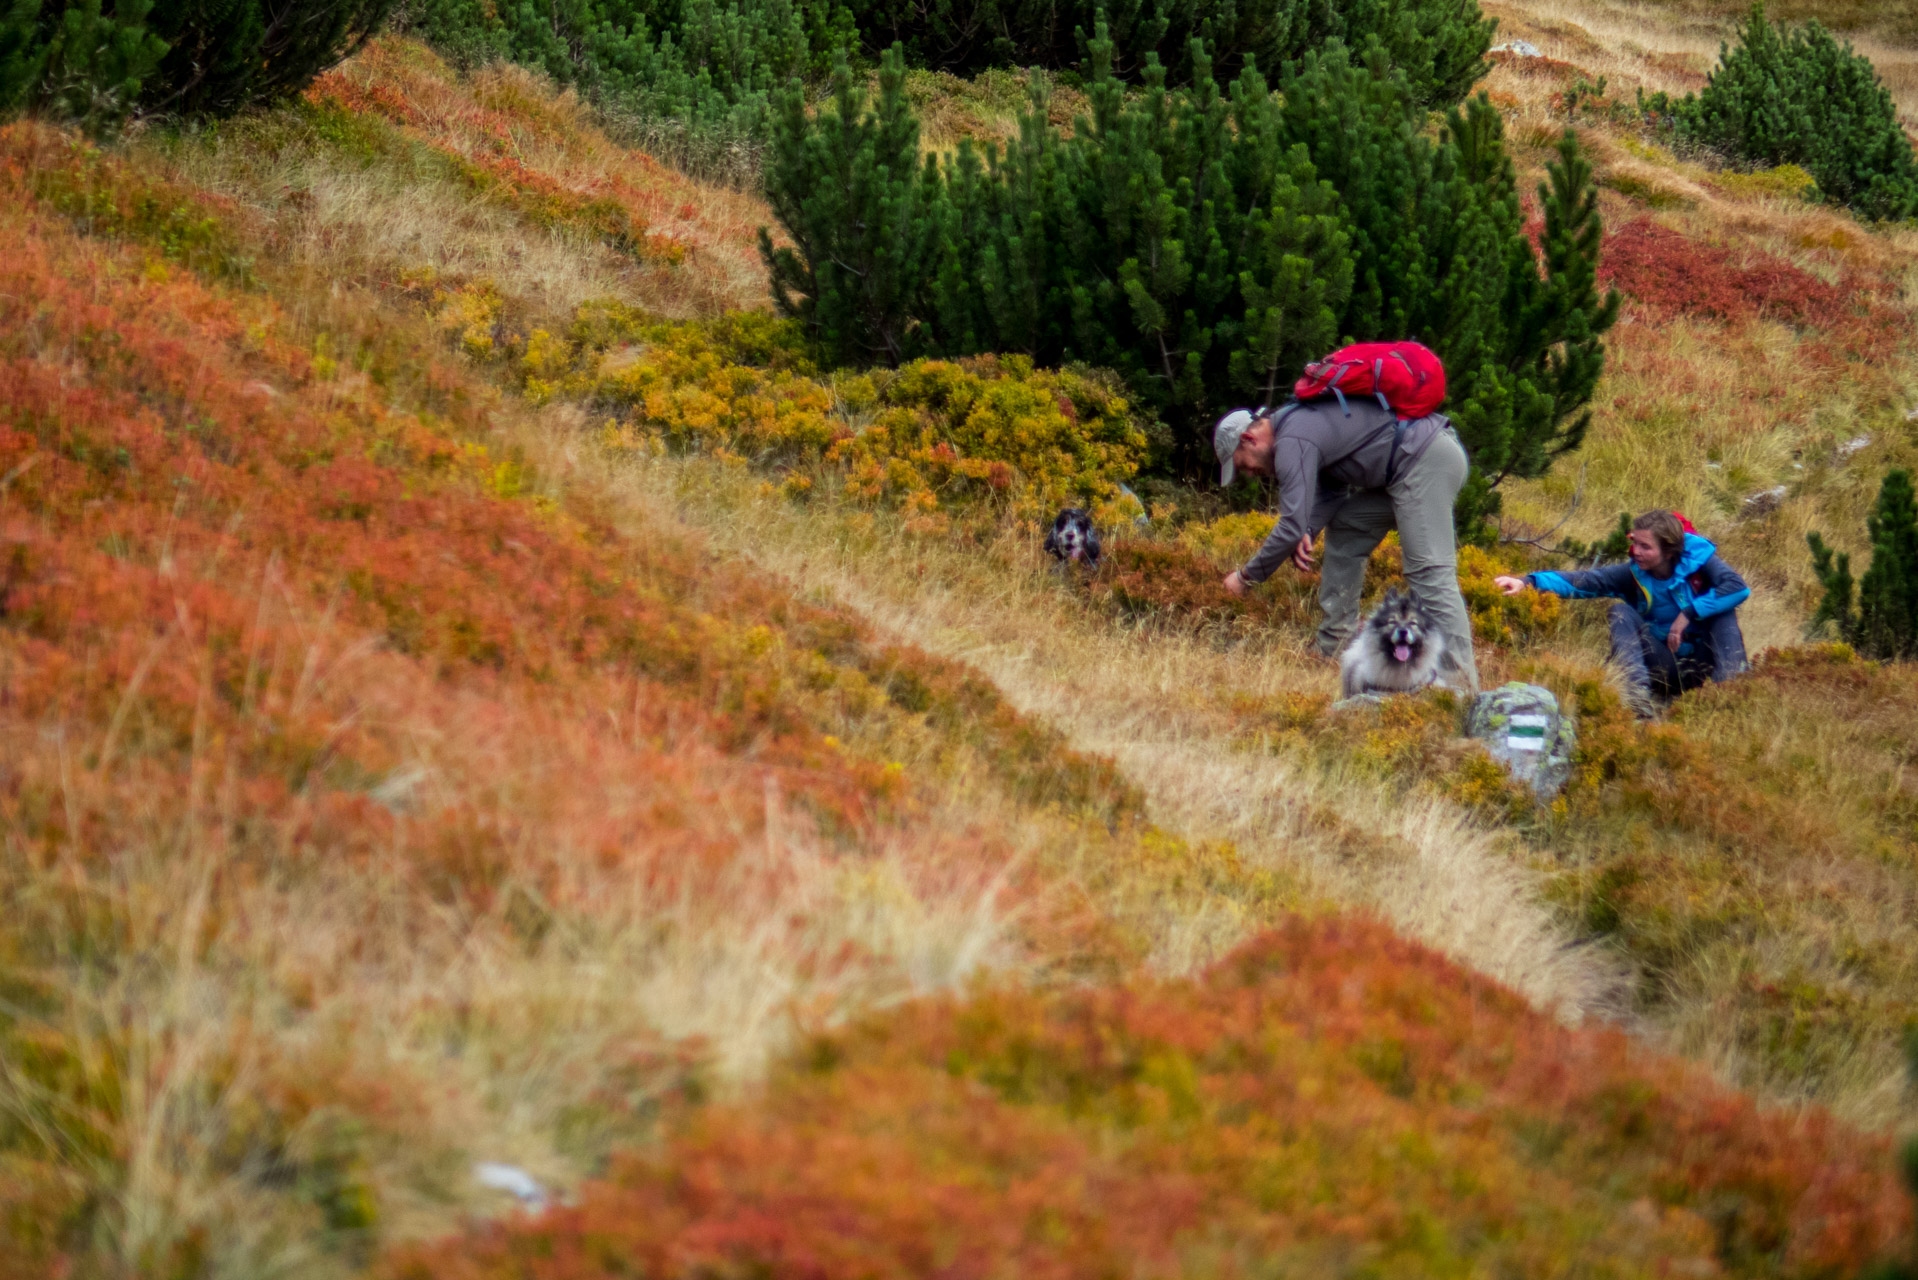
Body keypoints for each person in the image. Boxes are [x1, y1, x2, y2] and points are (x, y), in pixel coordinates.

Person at [1215, 398, 1480, 692]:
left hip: (1427, 459)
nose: (1250, 474)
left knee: (1429, 572)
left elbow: (1290, 524)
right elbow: (1334, 488)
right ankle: (1334, 644)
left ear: (1248, 438)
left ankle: (1460, 688)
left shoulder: (1293, 438)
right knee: (1348, 526)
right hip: (1407, 465)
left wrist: (1245, 578)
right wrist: (1310, 527)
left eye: (1243, 465)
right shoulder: (1297, 424)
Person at [1494, 510, 1749, 713]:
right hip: (1665, 666)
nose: (1636, 552)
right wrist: (1527, 582)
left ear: (1669, 551)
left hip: (1704, 662)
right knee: (1620, 612)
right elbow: (1583, 581)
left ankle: (1728, 694)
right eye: (1634, 543)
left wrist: (1689, 613)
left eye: (1645, 547)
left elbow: (1738, 588)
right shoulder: (1634, 574)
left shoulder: (1700, 565)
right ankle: (1636, 700)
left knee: (1723, 613)